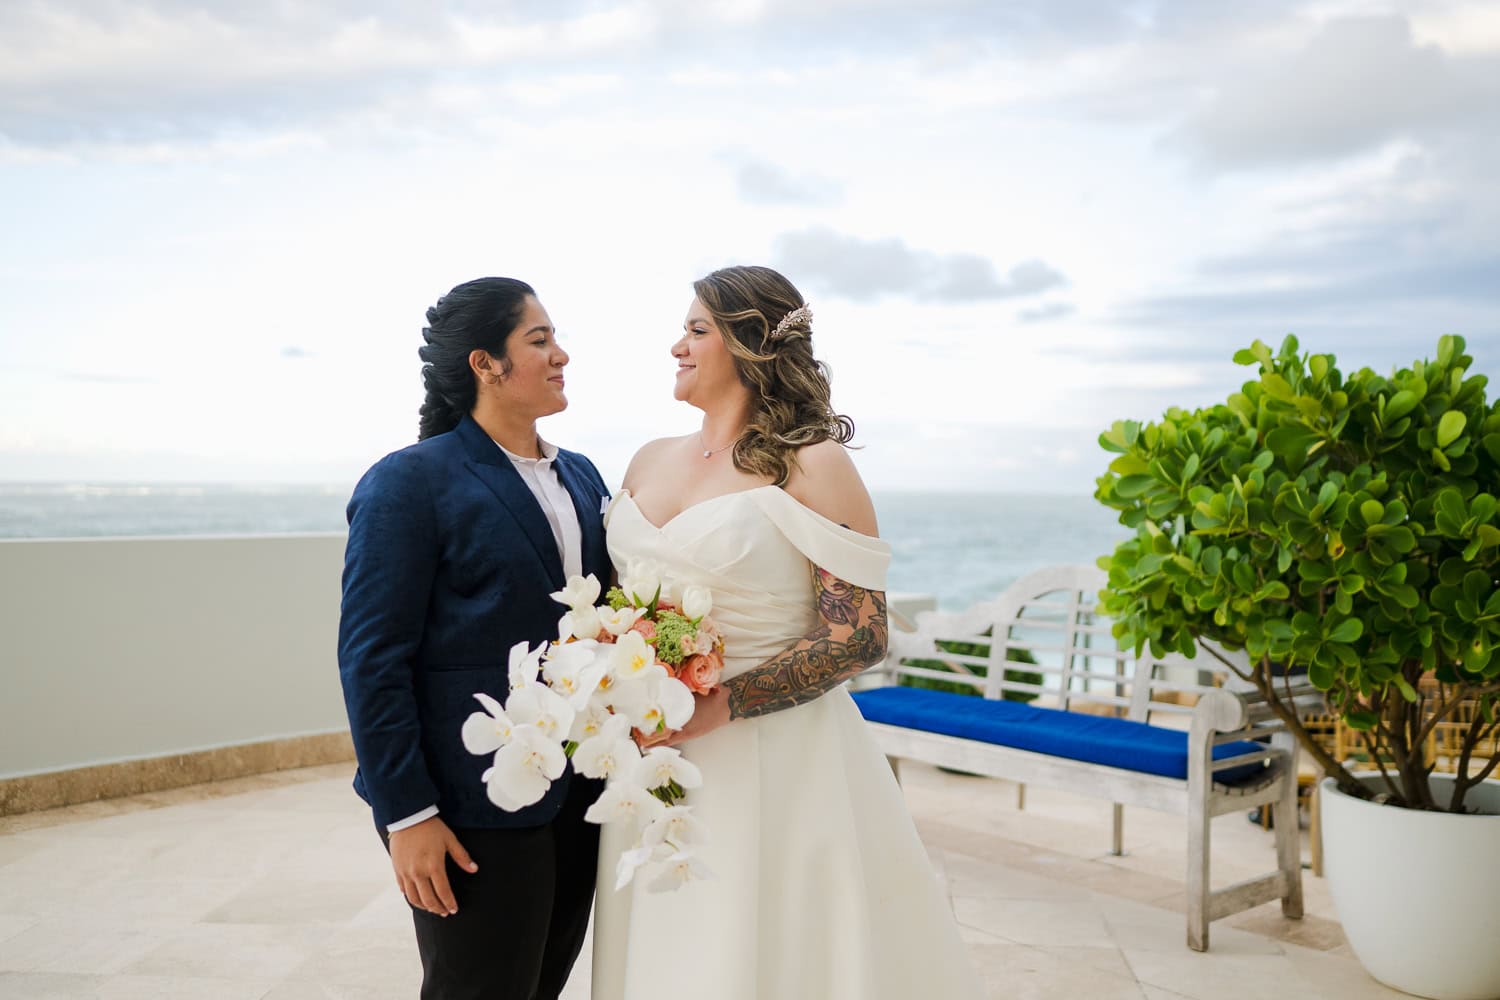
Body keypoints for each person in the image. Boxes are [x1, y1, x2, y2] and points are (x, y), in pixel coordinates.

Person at [591, 266, 984, 999]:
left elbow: (859, 635)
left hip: (777, 757)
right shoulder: (646, 459)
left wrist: (721, 703)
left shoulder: (812, 465)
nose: (676, 346)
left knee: (772, 949)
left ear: (748, 344)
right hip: (652, 751)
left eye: (696, 330)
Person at [337, 277, 611, 1000]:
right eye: (539, 340)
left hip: (578, 795)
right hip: (465, 803)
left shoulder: (582, 478)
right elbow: (372, 659)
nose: (562, 356)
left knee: (541, 985)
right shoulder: (408, 483)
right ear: (485, 364)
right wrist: (408, 814)